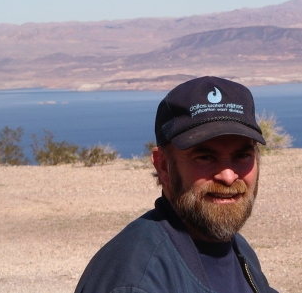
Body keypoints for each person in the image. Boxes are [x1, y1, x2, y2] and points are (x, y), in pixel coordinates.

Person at [74, 76, 278, 293]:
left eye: (242, 156)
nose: (228, 177)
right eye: (206, 157)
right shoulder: (138, 281)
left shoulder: (234, 247)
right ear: (163, 166)